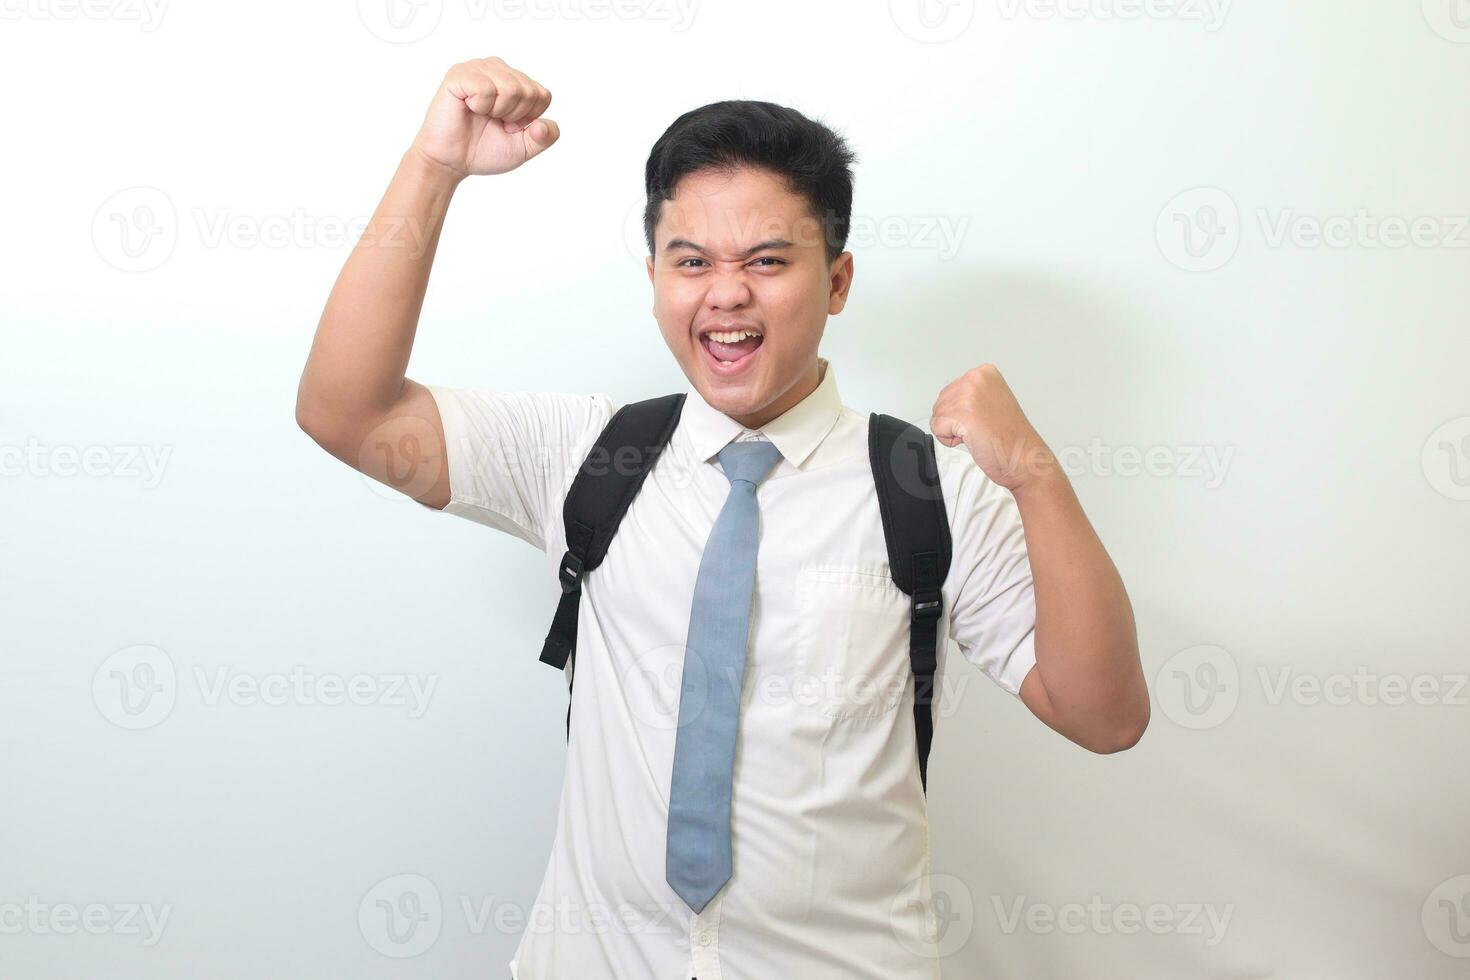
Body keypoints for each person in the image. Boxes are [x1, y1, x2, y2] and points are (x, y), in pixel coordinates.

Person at [296, 55, 1149, 980]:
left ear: (837, 280)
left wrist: (1034, 476)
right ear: (656, 273)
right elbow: (348, 411)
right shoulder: (586, 457)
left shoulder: (928, 488)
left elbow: (1103, 715)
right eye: (690, 260)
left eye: (767, 261)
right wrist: (435, 168)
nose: (725, 293)